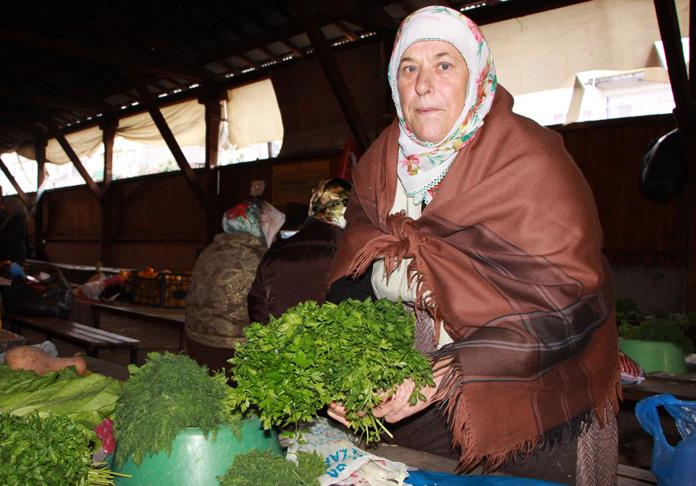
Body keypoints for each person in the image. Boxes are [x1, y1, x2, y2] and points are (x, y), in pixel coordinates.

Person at [325, 7, 619, 485]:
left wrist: (443, 374)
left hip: (530, 400)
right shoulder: (379, 163)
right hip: (415, 401)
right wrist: (346, 359)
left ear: (476, 76)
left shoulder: (531, 161)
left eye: (444, 64)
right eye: (409, 68)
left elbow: (574, 302)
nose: (423, 85)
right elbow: (354, 266)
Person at [184, 199, 285, 371]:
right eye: (274, 231)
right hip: (235, 357)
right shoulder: (262, 258)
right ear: (262, 225)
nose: (275, 237)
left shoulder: (208, 251)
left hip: (195, 346)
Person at [247, 178, 351, 324]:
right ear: (348, 211)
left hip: (279, 344)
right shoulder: (354, 256)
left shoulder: (274, 254)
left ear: (312, 206)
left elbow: (258, 311)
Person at [0, 197, 30, 266]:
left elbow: (9, 236)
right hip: (11, 253)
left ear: (13, 206)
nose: (6, 207)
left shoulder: (18, 220)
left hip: (14, 254)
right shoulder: (9, 218)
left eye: (8, 205)